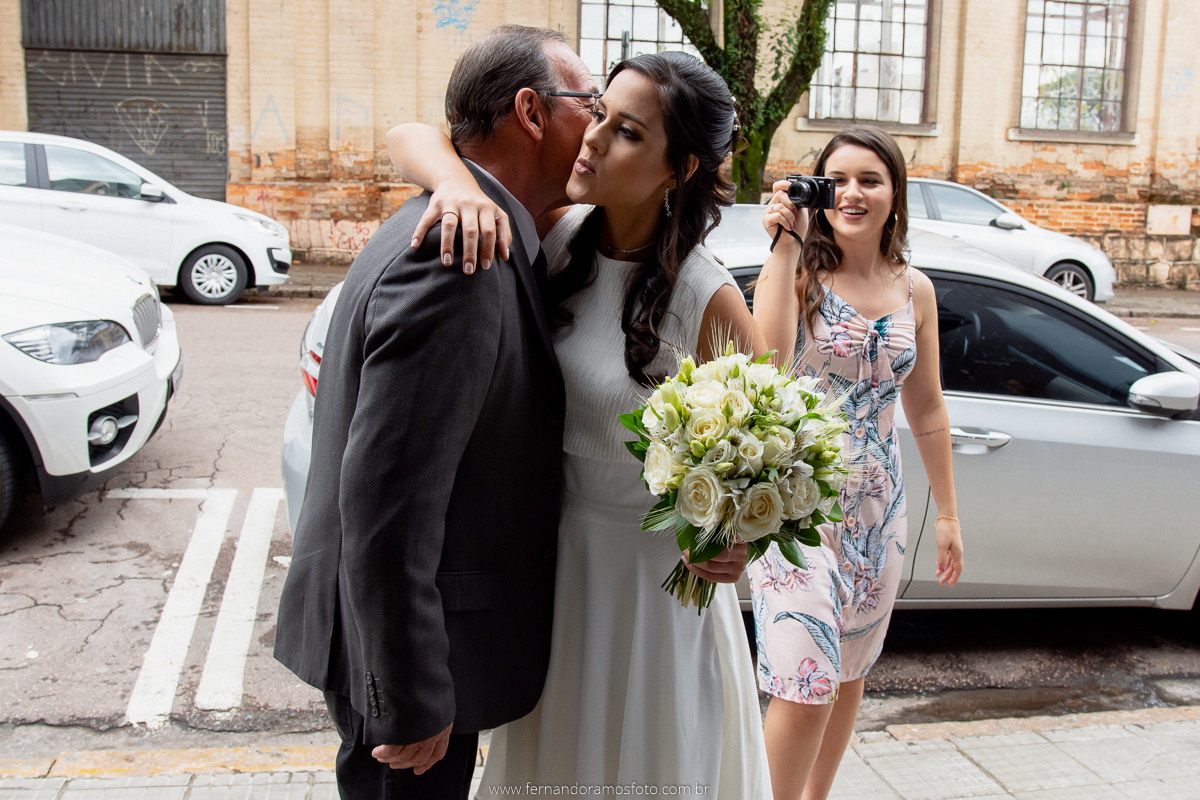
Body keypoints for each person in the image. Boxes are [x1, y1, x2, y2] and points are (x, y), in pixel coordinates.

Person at [388, 51, 772, 794]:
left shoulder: (708, 299)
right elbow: (410, 135)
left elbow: (771, 463)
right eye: (598, 115)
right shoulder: (556, 234)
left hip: (652, 599)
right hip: (558, 580)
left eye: (627, 132)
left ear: (679, 167)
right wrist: (455, 184)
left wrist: (740, 545)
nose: (593, 140)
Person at [273, 25, 601, 799]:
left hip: (410, 642)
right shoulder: (459, 255)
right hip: (412, 666)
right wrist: (411, 695)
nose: (596, 126)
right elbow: (386, 504)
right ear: (530, 111)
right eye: (587, 103)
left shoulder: (469, 216)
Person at [748, 125, 964, 800]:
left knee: (846, 668)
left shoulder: (915, 291)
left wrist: (950, 515)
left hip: (878, 510)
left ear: (895, 195)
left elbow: (926, 409)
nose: (851, 192)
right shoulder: (798, 275)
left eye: (870, 179)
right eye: (836, 179)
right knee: (805, 677)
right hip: (795, 506)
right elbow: (769, 367)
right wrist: (783, 247)